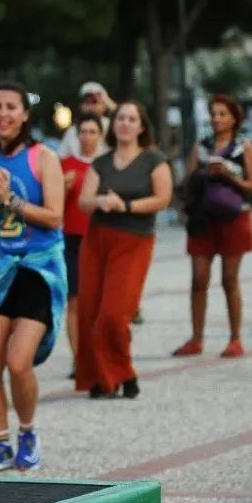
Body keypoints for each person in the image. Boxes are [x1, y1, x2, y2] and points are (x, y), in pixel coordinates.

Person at [0, 83, 66, 473]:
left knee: (18, 362)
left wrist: (12, 200)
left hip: (38, 268)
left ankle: (27, 432)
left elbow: (55, 217)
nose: (2, 114)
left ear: (25, 115)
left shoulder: (44, 157)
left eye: (11, 107)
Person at [73, 101, 173, 400]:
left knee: (114, 314)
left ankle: (123, 372)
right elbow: (83, 201)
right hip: (97, 239)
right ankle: (102, 379)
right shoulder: (101, 163)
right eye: (120, 119)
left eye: (131, 119)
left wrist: (126, 205)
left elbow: (162, 199)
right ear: (112, 125)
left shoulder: (154, 160)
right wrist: (101, 202)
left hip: (134, 240)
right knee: (89, 311)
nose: (125, 124)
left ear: (142, 126)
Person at [177, 94, 252, 358]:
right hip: (203, 219)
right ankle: (196, 338)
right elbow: (188, 182)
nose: (216, 118)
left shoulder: (243, 146)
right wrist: (202, 174)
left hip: (234, 218)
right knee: (198, 278)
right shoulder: (200, 147)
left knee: (229, 279)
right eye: (213, 113)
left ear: (234, 118)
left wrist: (228, 175)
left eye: (222, 114)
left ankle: (235, 338)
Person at [60, 112, 103, 369]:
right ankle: (79, 360)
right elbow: (50, 203)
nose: (86, 137)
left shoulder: (107, 165)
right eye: (82, 132)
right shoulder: (65, 166)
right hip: (71, 240)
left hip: (100, 239)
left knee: (99, 301)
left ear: (100, 135)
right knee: (74, 300)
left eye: (91, 132)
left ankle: (98, 354)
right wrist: (63, 187)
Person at [56, 81, 116, 160]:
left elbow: (124, 115)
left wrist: (108, 102)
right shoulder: (73, 130)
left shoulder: (111, 126)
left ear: (104, 105)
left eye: (95, 101)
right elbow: (61, 158)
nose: (90, 105)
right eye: (87, 101)